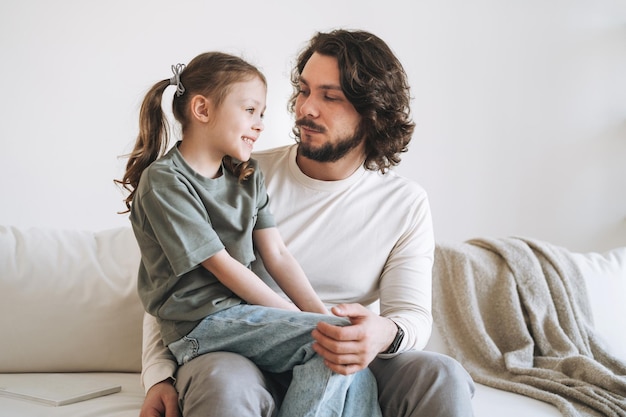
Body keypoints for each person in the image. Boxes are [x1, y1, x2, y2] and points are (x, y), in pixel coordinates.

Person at [139, 30, 476, 417]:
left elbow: (412, 315)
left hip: (328, 340)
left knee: (442, 375)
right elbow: (169, 282)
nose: (305, 109)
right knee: (224, 384)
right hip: (241, 347)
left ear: (372, 113)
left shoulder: (406, 203)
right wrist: (159, 376)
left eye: (329, 97)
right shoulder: (239, 171)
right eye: (303, 90)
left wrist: (380, 333)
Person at [116, 51, 383, 417]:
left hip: (240, 319)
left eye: (262, 113)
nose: (259, 124)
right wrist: (303, 319)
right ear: (202, 110)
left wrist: (319, 315)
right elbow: (221, 265)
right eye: (250, 110)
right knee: (329, 343)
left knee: (351, 356)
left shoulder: (247, 175)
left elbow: (278, 255)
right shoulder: (164, 182)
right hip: (198, 327)